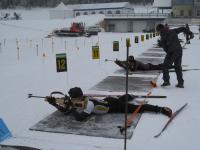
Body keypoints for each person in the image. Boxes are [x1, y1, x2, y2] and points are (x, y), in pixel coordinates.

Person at [45, 87, 172, 121]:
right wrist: (54, 104)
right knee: (122, 98)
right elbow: (66, 110)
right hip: (108, 99)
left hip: (112, 106)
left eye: (73, 98)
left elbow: (79, 118)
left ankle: (160, 109)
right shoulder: (81, 99)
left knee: (136, 108)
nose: (71, 100)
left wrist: (71, 107)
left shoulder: (88, 104)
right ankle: (130, 96)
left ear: (78, 97)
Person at [156, 24, 194, 88]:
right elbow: (182, 28)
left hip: (172, 52)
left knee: (165, 65)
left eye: (157, 31)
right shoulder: (172, 31)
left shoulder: (162, 36)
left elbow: (166, 49)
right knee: (178, 67)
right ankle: (180, 83)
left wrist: (161, 44)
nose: (157, 32)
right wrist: (190, 33)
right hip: (179, 50)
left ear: (159, 30)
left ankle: (166, 81)